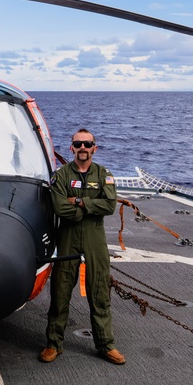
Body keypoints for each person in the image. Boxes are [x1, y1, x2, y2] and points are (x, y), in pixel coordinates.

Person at [39, 128, 126, 366]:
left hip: (94, 237)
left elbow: (109, 205)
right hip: (67, 235)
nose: (83, 148)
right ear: (72, 148)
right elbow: (59, 207)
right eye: (78, 144)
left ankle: (105, 345)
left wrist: (78, 201)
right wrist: (87, 208)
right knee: (60, 291)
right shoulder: (62, 175)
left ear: (94, 148)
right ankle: (53, 343)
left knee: (99, 291)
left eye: (88, 144)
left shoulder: (104, 174)